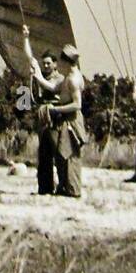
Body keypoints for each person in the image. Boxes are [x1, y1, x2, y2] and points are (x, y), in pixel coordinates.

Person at [22, 25, 63, 195]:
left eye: (48, 63)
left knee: (58, 152)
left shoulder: (59, 78)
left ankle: (63, 185)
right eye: (44, 63)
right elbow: (30, 57)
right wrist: (25, 37)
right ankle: (45, 187)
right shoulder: (41, 74)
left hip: (54, 115)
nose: (45, 66)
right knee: (44, 154)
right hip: (42, 116)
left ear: (55, 64)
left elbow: (52, 88)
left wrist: (37, 76)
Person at [47, 44, 86, 198]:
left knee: (71, 156)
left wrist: (56, 109)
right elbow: (54, 88)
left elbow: (77, 104)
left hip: (72, 120)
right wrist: (37, 74)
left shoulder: (74, 80)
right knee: (63, 155)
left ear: (65, 62)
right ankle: (65, 186)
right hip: (66, 119)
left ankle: (73, 189)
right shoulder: (71, 77)